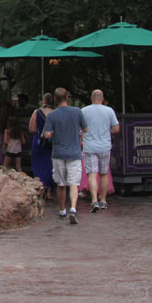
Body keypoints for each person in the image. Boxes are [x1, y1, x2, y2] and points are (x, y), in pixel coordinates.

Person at [42, 87, 87, 224]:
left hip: (58, 153)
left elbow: (47, 134)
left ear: (55, 99)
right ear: (67, 97)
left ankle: (62, 210)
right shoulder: (77, 112)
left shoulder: (52, 115)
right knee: (73, 183)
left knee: (61, 183)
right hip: (74, 152)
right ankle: (73, 208)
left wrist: (55, 132)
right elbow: (85, 129)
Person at [82, 89, 120, 213]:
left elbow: (80, 129)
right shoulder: (109, 111)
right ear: (102, 99)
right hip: (104, 146)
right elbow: (116, 128)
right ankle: (103, 199)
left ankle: (94, 200)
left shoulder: (84, 111)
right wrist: (107, 131)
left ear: (91, 98)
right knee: (103, 174)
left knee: (92, 174)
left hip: (90, 146)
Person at [28, 93, 55, 194]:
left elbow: (31, 129)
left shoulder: (37, 112)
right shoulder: (55, 113)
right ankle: (49, 188)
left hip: (39, 141)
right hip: (52, 141)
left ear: (44, 101)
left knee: (38, 164)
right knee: (50, 164)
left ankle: (41, 184)